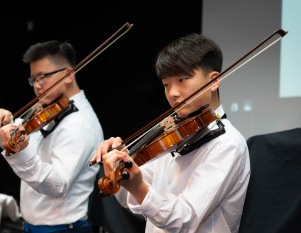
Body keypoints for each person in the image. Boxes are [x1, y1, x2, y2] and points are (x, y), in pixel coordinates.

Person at [90, 33, 251, 233]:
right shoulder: (174, 136)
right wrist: (120, 167)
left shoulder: (228, 145)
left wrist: (140, 188)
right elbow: (133, 198)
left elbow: (184, 220)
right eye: (166, 84)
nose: (173, 93)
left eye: (182, 80)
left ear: (214, 81)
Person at [0, 40, 104, 233]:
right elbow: (16, 139)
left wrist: (19, 153)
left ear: (68, 74)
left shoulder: (79, 123)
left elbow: (59, 185)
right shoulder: (48, 108)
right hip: (34, 226)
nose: (38, 86)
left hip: (64, 229)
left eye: (43, 77)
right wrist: (1, 126)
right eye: (33, 79)